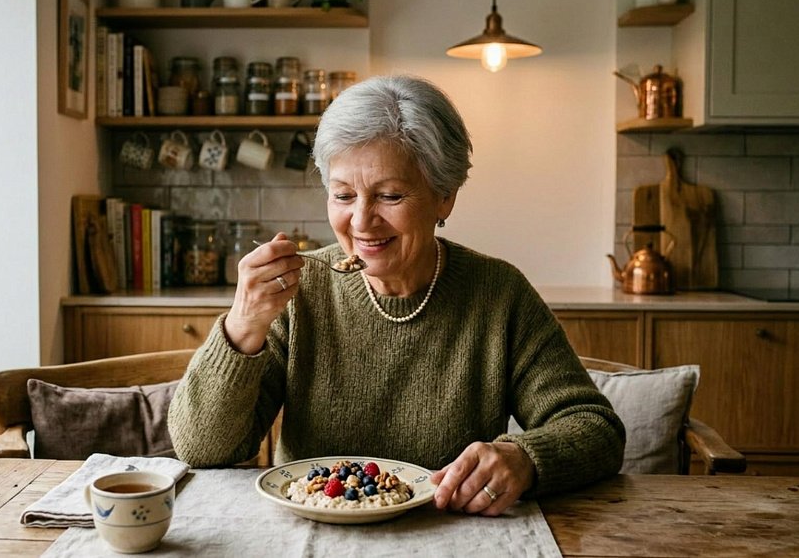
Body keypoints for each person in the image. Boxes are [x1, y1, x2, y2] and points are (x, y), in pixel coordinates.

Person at [168, 75, 625, 516]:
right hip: (313, 537)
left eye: (389, 195)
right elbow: (203, 450)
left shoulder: (497, 294)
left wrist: (525, 459)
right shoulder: (300, 291)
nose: (362, 222)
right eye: (343, 195)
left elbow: (596, 429)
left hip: (452, 537)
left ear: (445, 196)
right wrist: (242, 325)